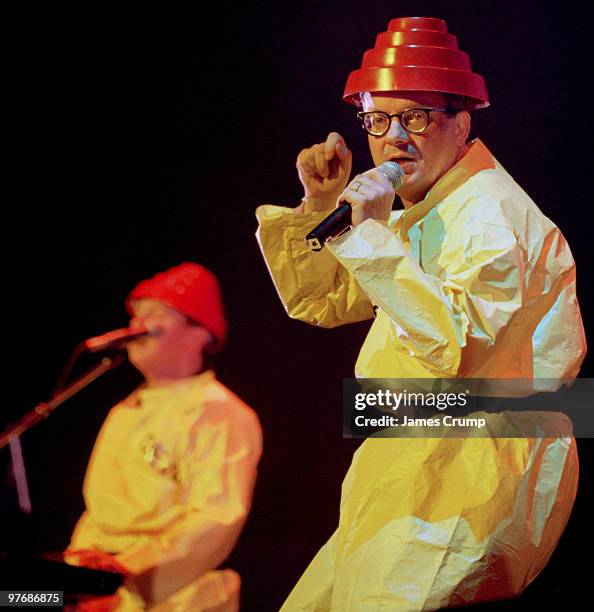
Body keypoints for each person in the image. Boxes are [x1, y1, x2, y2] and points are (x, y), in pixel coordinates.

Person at [255, 16, 586, 611]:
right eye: (377, 120)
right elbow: (325, 300)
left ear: (462, 122)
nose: (392, 138)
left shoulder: (487, 213)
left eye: (415, 117)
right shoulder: (428, 207)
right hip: (411, 463)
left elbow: (457, 345)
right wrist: (323, 206)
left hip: (465, 477)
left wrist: (368, 238)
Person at [66, 262, 263, 612]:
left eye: (155, 315)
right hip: (103, 590)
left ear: (200, 332)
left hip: (175, 596)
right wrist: (78, 580)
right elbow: (98, 512)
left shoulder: (222, 413)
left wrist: (124, 573)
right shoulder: (125, 411)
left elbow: (217, 517)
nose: (136, 327)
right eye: (135, 317)